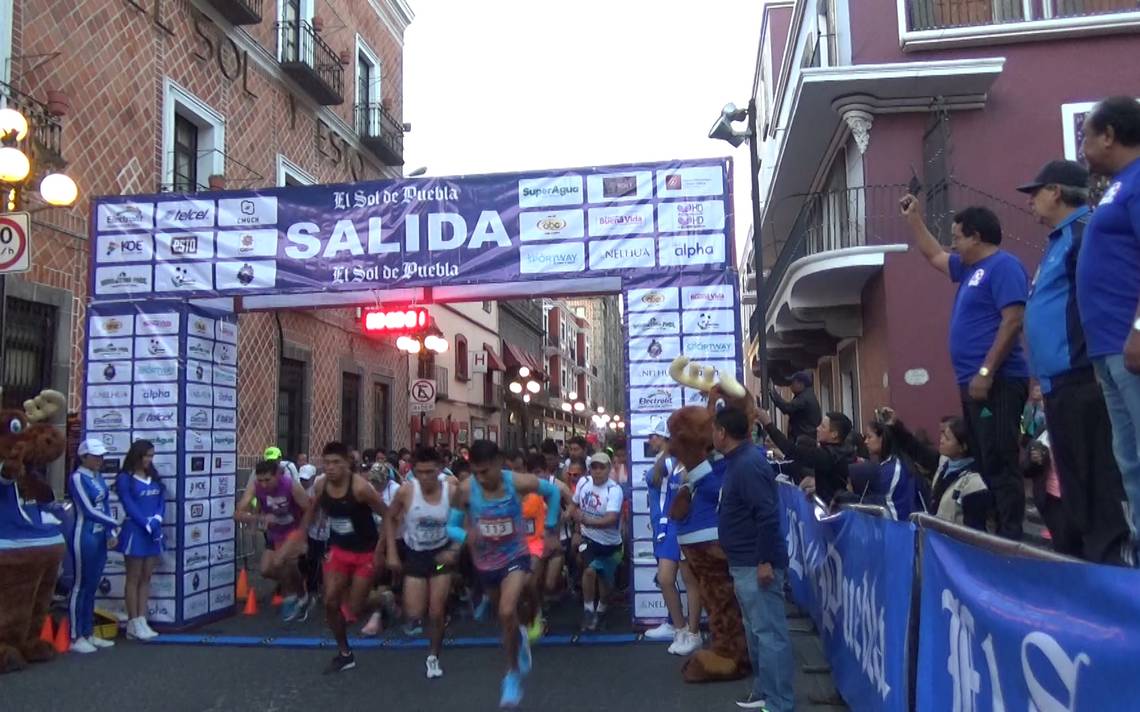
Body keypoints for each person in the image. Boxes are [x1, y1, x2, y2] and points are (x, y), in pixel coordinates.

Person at [1019, 158, 1135, 565]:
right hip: (1055, 385)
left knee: (1098, 478)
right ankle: (1085, 561)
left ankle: (1109, 564)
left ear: (1056, 191)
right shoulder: (1057, 241)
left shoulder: (1087, 234)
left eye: (1036, 191)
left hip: (1085, 377)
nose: (1031, 200)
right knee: (1072, 483)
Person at [901, 194, 1030, 540]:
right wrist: (914, 219)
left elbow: (1013, 319)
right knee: (984, 460)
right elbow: (933, 254)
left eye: (958, 236)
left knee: (1000, 459)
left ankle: (1011, 539)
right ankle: (993, 533)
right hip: (972, 383)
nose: (953, 242)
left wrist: (986, 372)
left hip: (998, 382)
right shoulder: (969, 269)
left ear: (976, 236)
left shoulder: (1004, 267)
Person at [445, 440, 562, 708]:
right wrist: (466, 535)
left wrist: (551, 528)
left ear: (499, 463)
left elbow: (552, 494)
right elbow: (448, 527)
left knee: (507, 611)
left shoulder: (517, 483)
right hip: (486, 563)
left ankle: (511, 676)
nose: (480, 478)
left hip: (515, 555)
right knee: (505, 619)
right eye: (476, 472)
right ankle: (517, 643)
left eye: (485, 471)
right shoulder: (465, 490)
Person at [1076, 96, 1140, 551]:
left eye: (1085, 136)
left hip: (1129, 345)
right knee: (1129, 459)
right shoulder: (1119, 186)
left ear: (1109, 135)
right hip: (1109, 348)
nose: (1081, 148)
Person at [713, 407, 795, 711]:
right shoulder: (740, 461)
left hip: (755, 563)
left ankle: (779, 703)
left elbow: (767, 515)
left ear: (722, 433)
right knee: (757, 632)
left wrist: (764, 561)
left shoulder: (747, 464)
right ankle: (765, 692)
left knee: (769, 634)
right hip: (744, 561)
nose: (712, 435)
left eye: (713, 430)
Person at [287, 441, 388, 674]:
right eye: (327, 462)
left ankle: (383, 602)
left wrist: (384, 550)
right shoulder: (321, 485)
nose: (330, 467)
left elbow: (389, 515)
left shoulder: (361, 489)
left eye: (336, 463)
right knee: (330, 602)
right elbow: (312, 509)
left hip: (365, 551)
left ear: (347, 464)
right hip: (339, 549)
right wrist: (300, 536)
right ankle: (345, 654)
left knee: (354, 610)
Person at [385, 447, 455, 679]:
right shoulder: (406, 491)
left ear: (440, 470)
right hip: (415, 554)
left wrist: (455, 549)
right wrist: (392, 553)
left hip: (440, 555)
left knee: (436, 610)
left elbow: (467, 521)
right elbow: (389, 517)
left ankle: (433, 655)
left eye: (430, 472)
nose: (425, 477)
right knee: (414, 611)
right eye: (420, 472)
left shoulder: (451, 491)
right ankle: (395, 604)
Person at [642, 424, 702, 655]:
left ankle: (694, 633)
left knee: (690, 580)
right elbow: (655, 478)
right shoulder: (669, 462)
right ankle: (679, 627)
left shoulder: (693, 462)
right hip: (669, 526)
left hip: (688, 525)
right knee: (666, 578)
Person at [234, 459, 311, 620]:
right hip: (276, 533)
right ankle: (300, 589)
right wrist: (257, 518)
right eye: (260, 480)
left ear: (278, 475)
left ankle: (295, 596)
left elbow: (309, 509)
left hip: (294, 530)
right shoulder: (255, 486)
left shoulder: (291, 485)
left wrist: (303, 534)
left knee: (279, 561)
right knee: (266, 570)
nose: (263, 484)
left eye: (267, 480)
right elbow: (238, 513)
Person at [892, 413, 989, 530]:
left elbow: (975, 533)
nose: (941, 440)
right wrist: (895, 426)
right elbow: (915, 448)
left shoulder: (974, 483)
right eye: (942, 435)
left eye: (947, 438)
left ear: (963, 447)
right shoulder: (943, 466)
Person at [66, 439, 119, 653]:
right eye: (96, 456)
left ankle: (88, 631)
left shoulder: (97, 476)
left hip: (99, 536)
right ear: (84, 457)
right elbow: (87, 510)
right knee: (80, 586)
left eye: (101, 456)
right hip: (83, 535)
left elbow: (105, 505)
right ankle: (75, 635)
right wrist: (114, 523)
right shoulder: (77, 478)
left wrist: (110, 531)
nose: (100, 460)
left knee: (92, 584)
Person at [115, 439, 165, 641]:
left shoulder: (153, 475)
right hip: (135, 531)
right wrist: (145, 523)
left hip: (153, 531)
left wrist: (157, 519)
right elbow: (128, 504)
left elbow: (161, 500)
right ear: (136, 455)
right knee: (133, 577)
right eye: (146, 455)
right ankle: (133, 621)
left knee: (146, 576)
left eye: (152, 456)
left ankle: (142, 619)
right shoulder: (125, 478)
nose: (149, 459)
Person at [569, 452, 624, 631]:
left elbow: (611, 518)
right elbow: (574, 504)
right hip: (588, 538)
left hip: (611, 543)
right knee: (590, 570)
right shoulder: (583, 483)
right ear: (589, 469)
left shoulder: (614, 490)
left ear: (609, 469)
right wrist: (573, 524)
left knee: (605, 583)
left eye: (602, 467)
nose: (598, 471)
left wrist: (586, 520)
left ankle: (601, 609)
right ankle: (588, 610)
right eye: (594, 467)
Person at [758, 409, 856, 505]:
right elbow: (834, 483)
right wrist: (818, 490)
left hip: (834, 512)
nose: (817, 429)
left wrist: (768, 424)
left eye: (823, 426)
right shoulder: (840, 452)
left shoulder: (827, 455)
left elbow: (791, 450)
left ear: (834, 435)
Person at [846, 419, 922, 521]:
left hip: (897, 527)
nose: (866, 441)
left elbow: (882, 500)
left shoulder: (894, 468)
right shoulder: (885, 465)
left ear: (882, 438)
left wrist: (853, 498)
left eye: (869, 437)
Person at [297, 463, 327, 609]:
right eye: (302, 479)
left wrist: (322, 520)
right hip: (305, 530)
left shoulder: (317, 488)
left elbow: (323, 507)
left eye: (306, 479)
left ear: (313, 477)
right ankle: (307, 589)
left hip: (319, 532)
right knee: (303, 560)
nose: (304, 482)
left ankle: (314, 590)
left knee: (315, 560)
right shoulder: (298, 489)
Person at [769, 371, 822, 442]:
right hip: (804, 437)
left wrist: (774, 394)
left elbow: (787, 408)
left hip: (805, 438)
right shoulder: (804, 395)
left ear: (801, 384)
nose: (790, 386)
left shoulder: (804, 398)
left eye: (792, 383)